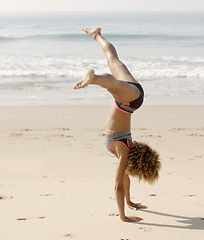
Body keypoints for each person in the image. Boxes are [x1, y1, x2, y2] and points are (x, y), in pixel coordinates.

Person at [73, 28, 161, 222]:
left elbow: (124, 179)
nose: (128, 172)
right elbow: (117, 185)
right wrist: (123, 216)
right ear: (134, 164)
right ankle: (94, 78)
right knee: (113, 86)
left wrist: (130, 202)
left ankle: (96, 35)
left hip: (132, 96)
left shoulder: (126, 149)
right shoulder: (124, 152)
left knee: (113, 59)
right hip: (129, 101)